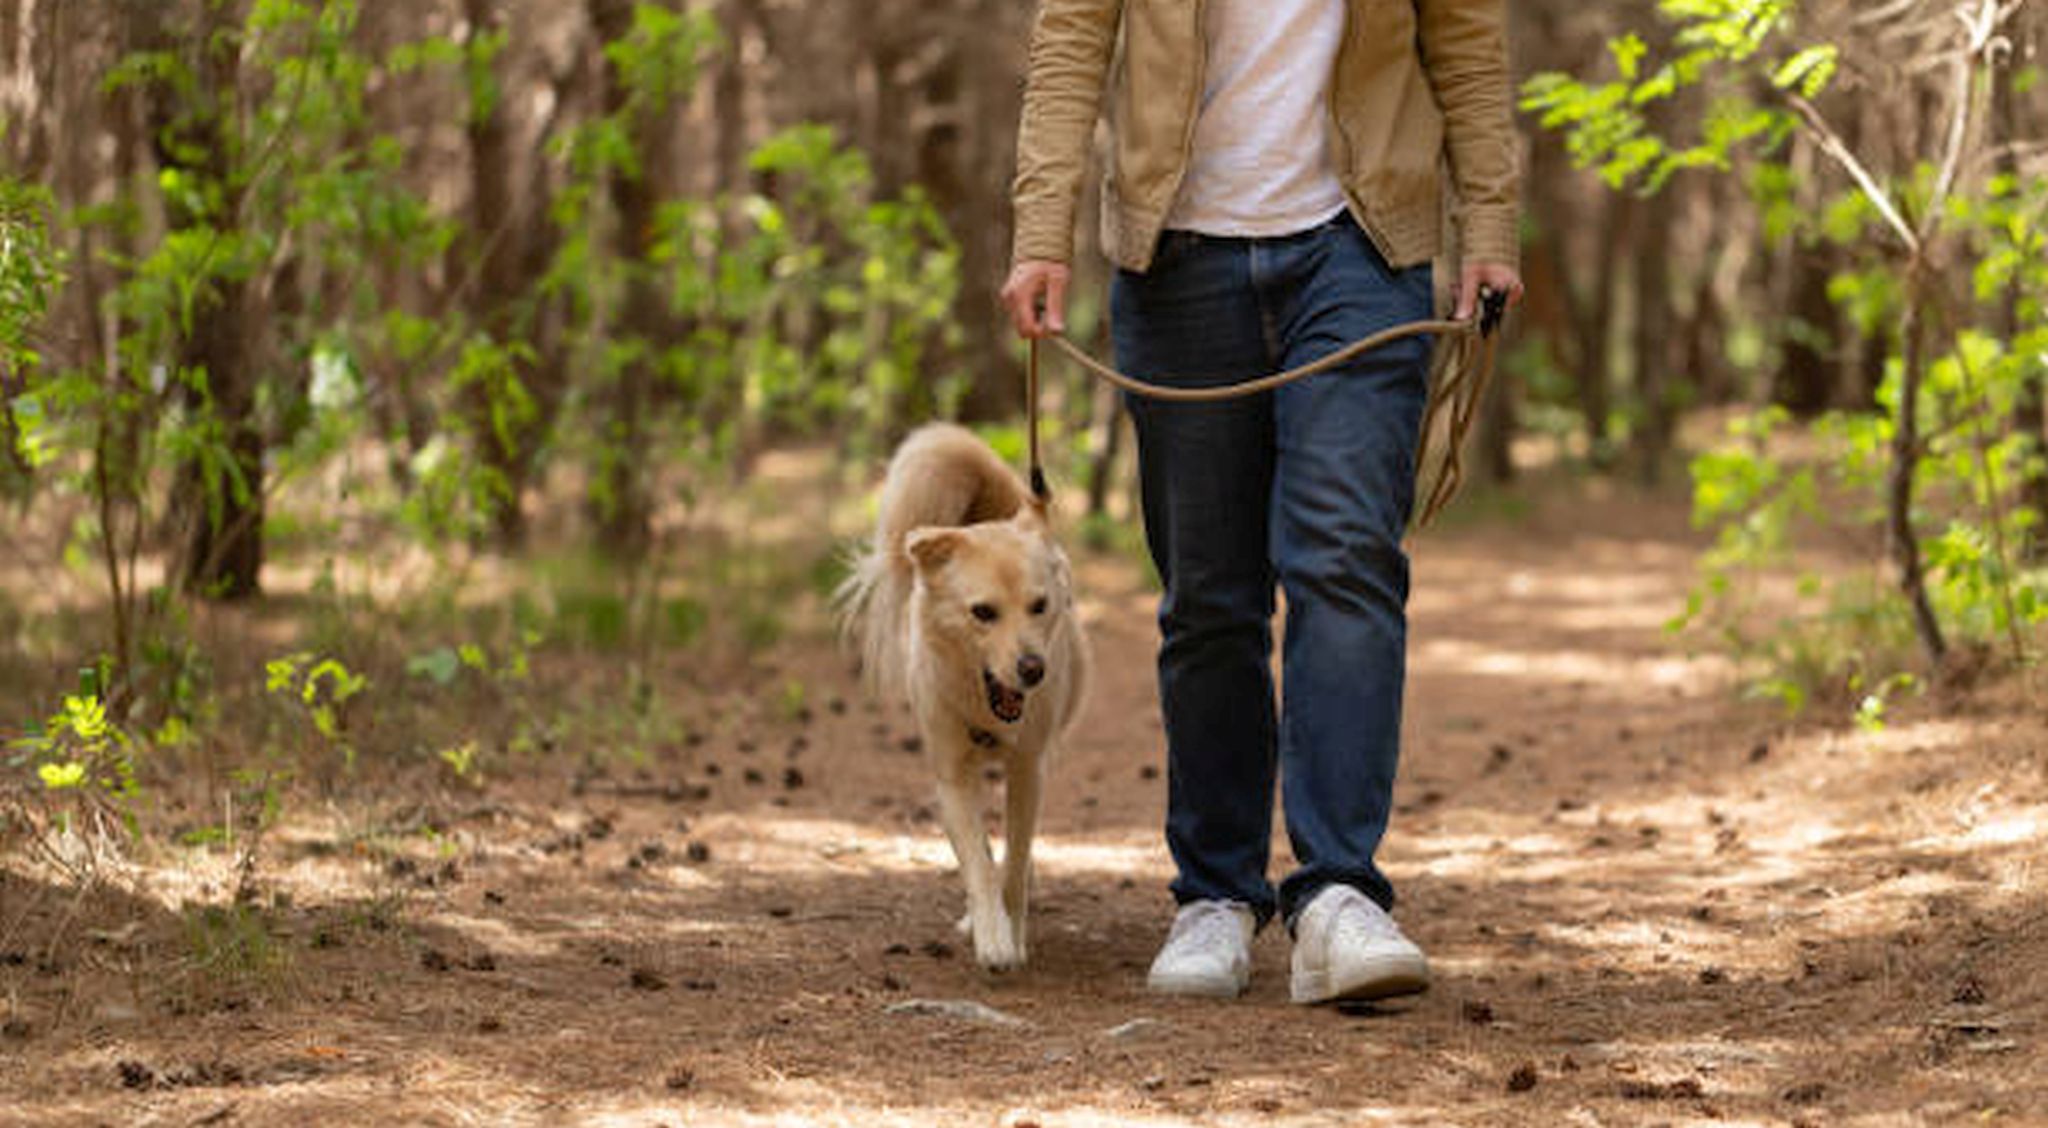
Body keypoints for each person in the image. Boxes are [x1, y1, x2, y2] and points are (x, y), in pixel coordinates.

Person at [1001, 0, 1524, 1003]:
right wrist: (1041, 231)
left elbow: (1463, 32)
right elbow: (1071, 36)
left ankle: (1336, 893)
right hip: (1176, 259)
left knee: (1343, 560)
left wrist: (1487, 221)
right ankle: (1215, 897)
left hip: (1360, 249)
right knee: (1209, 596)